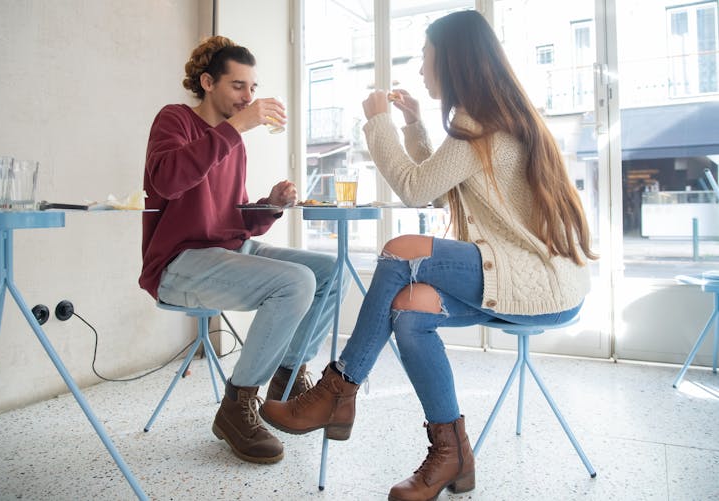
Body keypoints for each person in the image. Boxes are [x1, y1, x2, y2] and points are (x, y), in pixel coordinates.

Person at [260, 10, 596, 500]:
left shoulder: (481, 124)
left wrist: (377, 122)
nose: (420, 68)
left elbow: (416, 190)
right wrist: (415, 124)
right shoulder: (495, 119)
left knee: (399, 253)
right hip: (539, 280)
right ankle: (451, 453)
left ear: (452, 59)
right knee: (411, 310)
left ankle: (338, 390)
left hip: (533, 279)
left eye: (425, 56)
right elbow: (440, 190)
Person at [139, 35, 349, 465]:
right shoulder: (175, 120)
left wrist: (270, 205)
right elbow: (168, 182)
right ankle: (238, 405)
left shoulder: (232, 141)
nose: (248, 97)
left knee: (332, 270)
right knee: (296, 282)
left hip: (231, 250)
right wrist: (235, 128)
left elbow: (229, 219)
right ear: (208, 82)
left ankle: (287, 384)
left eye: (253, 87)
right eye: (238, 86)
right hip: (178, 264)